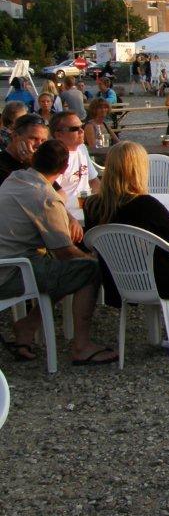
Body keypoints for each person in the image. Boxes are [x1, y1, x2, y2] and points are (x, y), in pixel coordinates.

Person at [0, 140, 115, 365]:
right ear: (64, 169)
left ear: (34, 160)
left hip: (11, 262)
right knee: (88, 270)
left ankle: (28, 326)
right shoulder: (45, 197)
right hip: (11, 272)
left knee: (61, 272)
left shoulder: (14, 179)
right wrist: (94, 260)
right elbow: (65, 252)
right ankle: (82, 347)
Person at [82, 141, 169, 342]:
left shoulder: (92, 205)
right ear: (138, 170)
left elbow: (90, 242)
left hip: (117, 279)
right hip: (158, 280)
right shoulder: (145, 204)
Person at [51, 110, 100, 204]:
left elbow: (93, 180)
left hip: (87, 207)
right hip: (67, 210)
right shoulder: (54, 156)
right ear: (59, 135)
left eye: (82, 126)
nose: (81, 131)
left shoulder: (81, 148)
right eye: (74, 129)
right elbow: (51, 193)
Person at [0, 113, 49, 185]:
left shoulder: (42, 163)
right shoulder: (2, 166)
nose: (39, 145)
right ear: (15, 136)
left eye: (43, 140)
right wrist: (33, 165)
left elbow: (56, 191)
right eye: (34, 138)